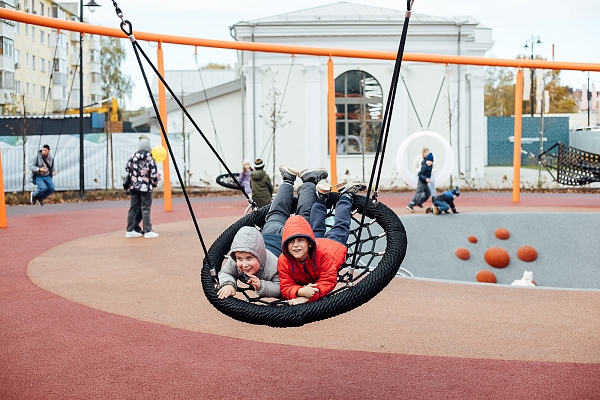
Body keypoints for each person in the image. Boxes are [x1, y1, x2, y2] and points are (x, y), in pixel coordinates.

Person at [217, 165, 328, 299]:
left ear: (259, 255)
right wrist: (228, 284)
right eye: (240, 259)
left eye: (249, 258)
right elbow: (225, 273)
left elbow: (282, 286)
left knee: (303, 217)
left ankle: (309, 180)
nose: (244, 264)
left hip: (288, 241)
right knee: (277, 212)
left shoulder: (273, 267)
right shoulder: (236, 261)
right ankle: (288, 180)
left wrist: (261, 285)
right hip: (269, 233)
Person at [277, 180, 366, 305]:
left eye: (300, 240)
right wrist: (300, 291)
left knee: (341, 225)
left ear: (309, 243)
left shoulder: (323, 255)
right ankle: (321, 197)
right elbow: (285, 286)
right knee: (316, 226)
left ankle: (346, 196)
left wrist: (309, 296)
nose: (295, 245)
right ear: (285, 245)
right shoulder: (283, 260)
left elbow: (328, 280)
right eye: (291, 242)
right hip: (317, 242)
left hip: (334, 245)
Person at [125, 135, 159, 238]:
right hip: (145, 187)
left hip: (134, 186)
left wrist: (135, 175)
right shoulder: (150, 158)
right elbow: (153, 174)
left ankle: (130, 229)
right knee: (145, 209)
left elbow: (127, 168)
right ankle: (147, 230)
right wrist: (154, 183)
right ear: (149, 147)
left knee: (133, 208)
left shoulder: (133, 156)